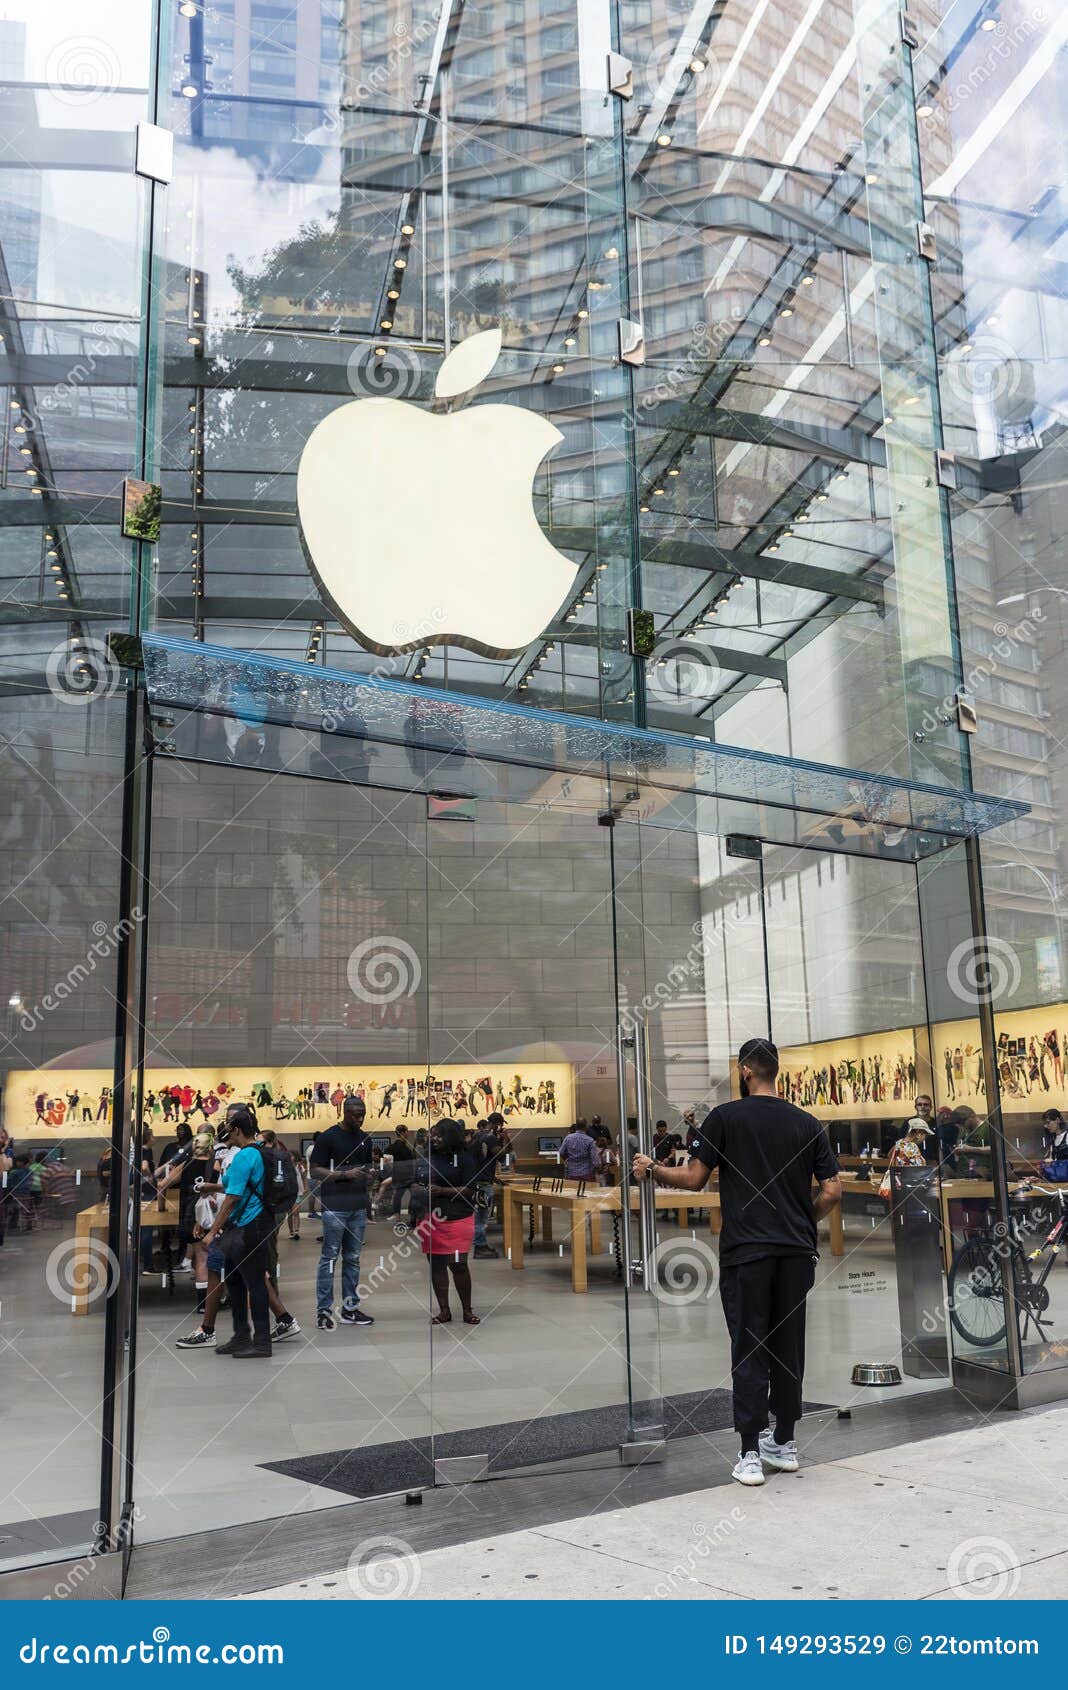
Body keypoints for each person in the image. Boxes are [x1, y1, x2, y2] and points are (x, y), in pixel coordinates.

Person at [634, 1037, 840, 1489]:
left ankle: (749, 1451)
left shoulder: (726, 1117)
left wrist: (651, 1169)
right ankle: (784, 1442)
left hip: (747, 1252)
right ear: (775, 1071)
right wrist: (802, 1223)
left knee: (749, 1346)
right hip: (795, 1254)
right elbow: (831, 1191)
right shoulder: (808, 1124)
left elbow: (693, 1178)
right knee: (789, 1347)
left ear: (746, 1071)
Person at [198, 1109, 274, 1358]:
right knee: (234, 1281)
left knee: (254, 1284)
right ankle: (241, 1336)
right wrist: (213, 1186)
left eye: (229, 1130)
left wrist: (212, 1232)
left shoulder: (245, 1156)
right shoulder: (250, 1154)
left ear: (237, 1130)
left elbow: (232, 1198)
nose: (226, 1135)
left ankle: (262, 1342)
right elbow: (233, 1185)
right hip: (242, 1226)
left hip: (249, 1226)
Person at [311, 1096, 374, 1331]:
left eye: (363, 1113)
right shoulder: (328, 1137)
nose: (360, 1118)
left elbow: (367, 1167)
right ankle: (324, 1311)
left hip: (357, 1206)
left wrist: (369, 1175)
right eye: (356, 1114)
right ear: (345, 1112)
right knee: (329, 1257)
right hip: (335, 1206)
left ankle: (349, 1308)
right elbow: (315, 1170)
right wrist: (344, 1175)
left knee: (353, 1259)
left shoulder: (365, 1138)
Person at [421, 1118, 480, 1325]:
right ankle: (444, 1310)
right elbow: (417, 1180)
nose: (434, 1138)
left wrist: (442, 1190)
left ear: (450, 1136)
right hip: (433, 1218)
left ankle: (467, 1310)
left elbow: (469, 1188)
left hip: (459, 1217)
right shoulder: (429, 1156)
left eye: (439, 1135)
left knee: (459, 1265)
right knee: (436, 1266)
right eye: (433, 1134)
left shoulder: (465, 1157)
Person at [471, 1111, 507, 1257]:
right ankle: (479, 1247)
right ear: (498, 1124)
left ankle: (482, 1243)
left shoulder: (478, 1135)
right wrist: (504, 1140)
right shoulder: (491, 1138)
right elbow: (502, 1158)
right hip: (484, 1183)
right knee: (482, 1217)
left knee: (479, 1215)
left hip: (476, 1180)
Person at [879, 1117, 933, 1200]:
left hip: (898, 1187)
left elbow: (889, 1155)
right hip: (909, 1190)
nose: (925, 1138)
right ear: (918, 1133)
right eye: (924, 1134)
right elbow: (919, 1169)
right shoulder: (912, 1146)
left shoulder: (900, 1143)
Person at [386, 1124, 416, 1221]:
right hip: (408, 1176)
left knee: (398, 1196)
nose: (408, 1133)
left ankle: (397, 1216)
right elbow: (411, 1164)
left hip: (397, 1175)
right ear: (403, 1133)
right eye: (407, 1131)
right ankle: (412, 1216)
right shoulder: (406, 1149)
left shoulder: (391, 1147)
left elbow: (385, 1162)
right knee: (415, 1195)